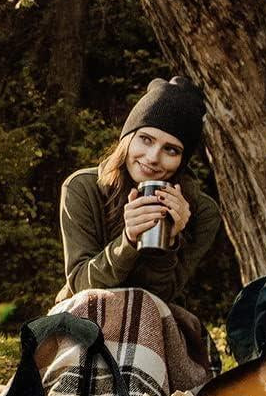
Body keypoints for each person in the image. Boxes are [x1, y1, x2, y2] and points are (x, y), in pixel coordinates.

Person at [56, 76, 221, 307]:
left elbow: (164, 297)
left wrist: (167, 242)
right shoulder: (82, 188)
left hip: (153, 319)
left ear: (182, 161)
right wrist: (128, 242)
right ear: (127, 138)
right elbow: (81, 285)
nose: (153, 158)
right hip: (85, 314)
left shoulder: (202, 212)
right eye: (145, 139)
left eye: (171, 150)